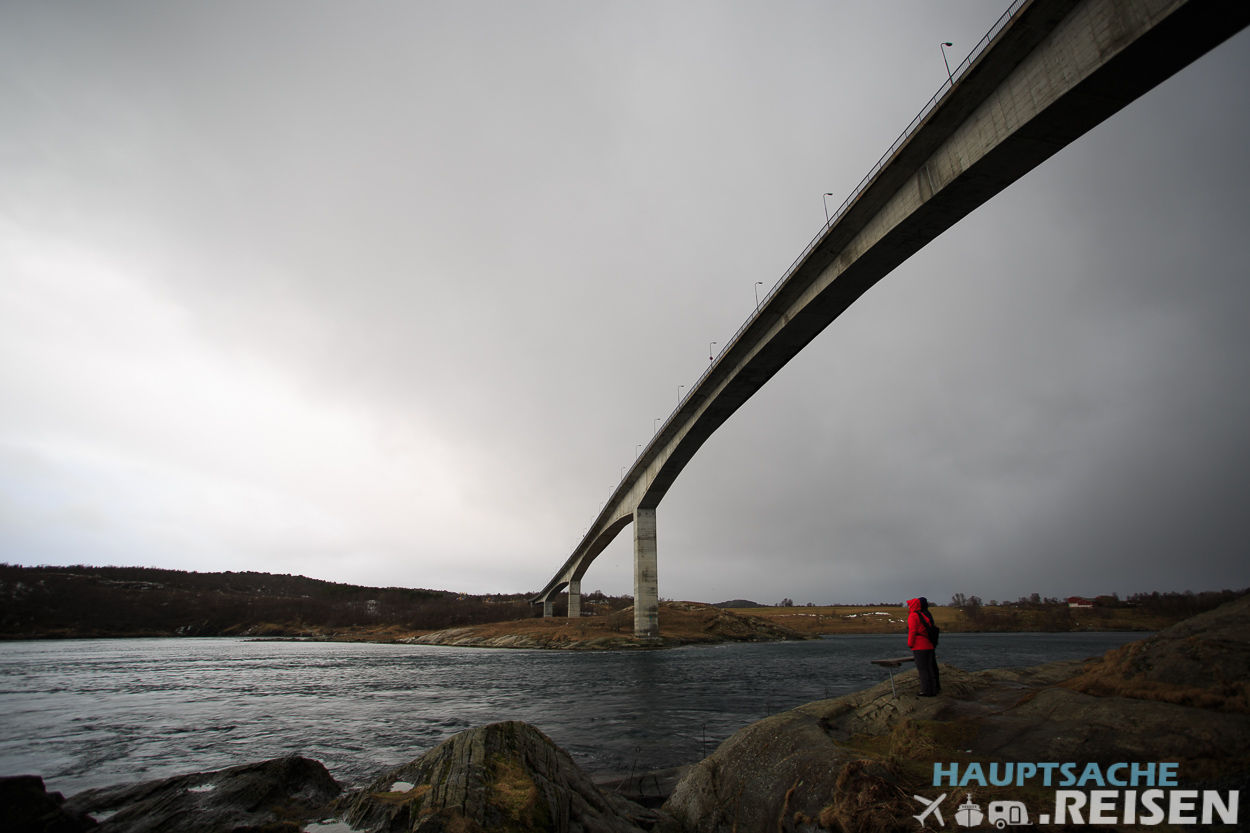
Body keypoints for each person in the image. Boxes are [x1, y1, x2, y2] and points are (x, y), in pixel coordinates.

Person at [907, 597, 941, 696]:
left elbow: (912, 631)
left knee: (922, 668)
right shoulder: (925, 615)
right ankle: (933, 689)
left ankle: (925, 690)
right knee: (929, 668)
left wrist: (910, 644)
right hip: (929, 645)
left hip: (919, 646)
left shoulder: (913, 616)